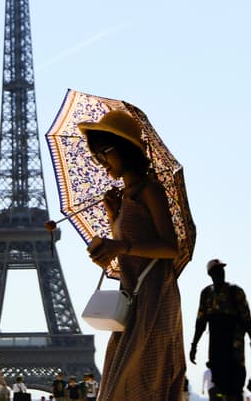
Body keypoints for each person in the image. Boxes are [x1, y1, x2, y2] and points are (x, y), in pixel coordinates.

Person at [78, 110, 187, 400]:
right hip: (132, 296)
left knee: (141, 379)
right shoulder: (125, 197)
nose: (102, 163)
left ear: (124, 148)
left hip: (154, 296)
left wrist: (120, 247)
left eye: (104, 153)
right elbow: (126, 245)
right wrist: (113, 216)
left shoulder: (150, 190)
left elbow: (170, 247)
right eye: (97, 157)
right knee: (120, 383)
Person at [190, 259, 251, 401]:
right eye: (216, 271)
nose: (220, 273)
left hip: (235, 348)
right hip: (216, 349)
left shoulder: (236, 291)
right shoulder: (206, 294)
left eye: (222, 270)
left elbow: (247, 321)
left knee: (235, 387)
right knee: (219, 385)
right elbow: (200, 323)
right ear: (210, 274)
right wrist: (194, 346)